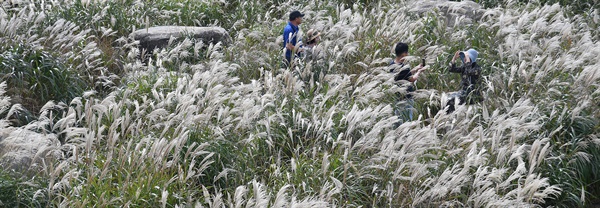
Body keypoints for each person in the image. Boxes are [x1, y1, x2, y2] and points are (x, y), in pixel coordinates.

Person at [389, 42, 426, 123]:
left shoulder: (392, 64)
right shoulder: (403, 67)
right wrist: (419, 72)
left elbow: (403, 75)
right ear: (404, 54)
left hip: (397, 97)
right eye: (407, 53)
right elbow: (412, 79)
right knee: (406, 121)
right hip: (406, 97)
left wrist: (416, 69)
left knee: (398, 120)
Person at [446, 48, 482, 113]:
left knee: (451, 100)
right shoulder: (464, 67)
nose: (465, 59)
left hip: (472, 94)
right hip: (464, 92)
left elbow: (469, 72)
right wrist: (454, 59)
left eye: (466, 57)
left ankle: (449, 115)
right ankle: (448, 116)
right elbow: (451, 69)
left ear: (471, 58)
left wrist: (468, 61)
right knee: (447, 97)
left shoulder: (477, 68)